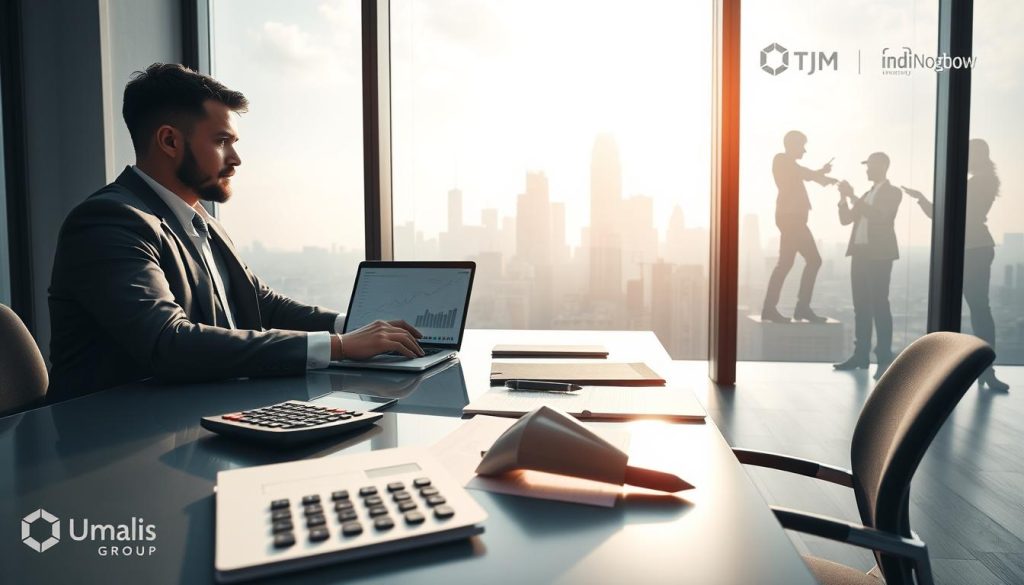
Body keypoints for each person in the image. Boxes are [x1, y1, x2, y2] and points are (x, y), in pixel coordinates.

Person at [47, 64, 425, 403]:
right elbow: (168, 342)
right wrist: (339, 346)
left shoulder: (200, 221)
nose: (236, 159)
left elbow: (260, 303)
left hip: (196, 415)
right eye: (220, 141)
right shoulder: (109, 220)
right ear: (169, 141)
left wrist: (354, 326)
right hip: (112, 444)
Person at [902, 139, 1009, 391]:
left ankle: (972, 370)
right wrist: (923, 200)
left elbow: (956, 215)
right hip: (970, 248)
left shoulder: (980, 182)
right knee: (978, 309)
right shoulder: (983, 180)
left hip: (971, 249)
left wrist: (928, 202)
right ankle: (983, 370)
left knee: (976, 309)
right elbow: (951, 214)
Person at [833, 152, 902, 380]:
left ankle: (884, 357)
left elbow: (880, 216)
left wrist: (853, 196)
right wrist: (844, 198)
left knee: (880, 304)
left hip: (879, 255)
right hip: (860, 254)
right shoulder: (866, 194)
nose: (867, 170)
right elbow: (846, 220)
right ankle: (860, 355)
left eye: (870, 166)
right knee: (861, 306)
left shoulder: (892, 193)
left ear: (882, 165)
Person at [761, 130, 837, 323]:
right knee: (814, 260)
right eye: (801, 145)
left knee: (785, 264)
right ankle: (801, 308)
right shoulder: (781, 160)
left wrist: (821, 175)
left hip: (792, 219)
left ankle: (771, 309)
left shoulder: (790, 166)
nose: (804, 150)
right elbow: (802, 173)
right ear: (791, 145)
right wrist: (821, 174)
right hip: (792, 219)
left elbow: (802, 174)